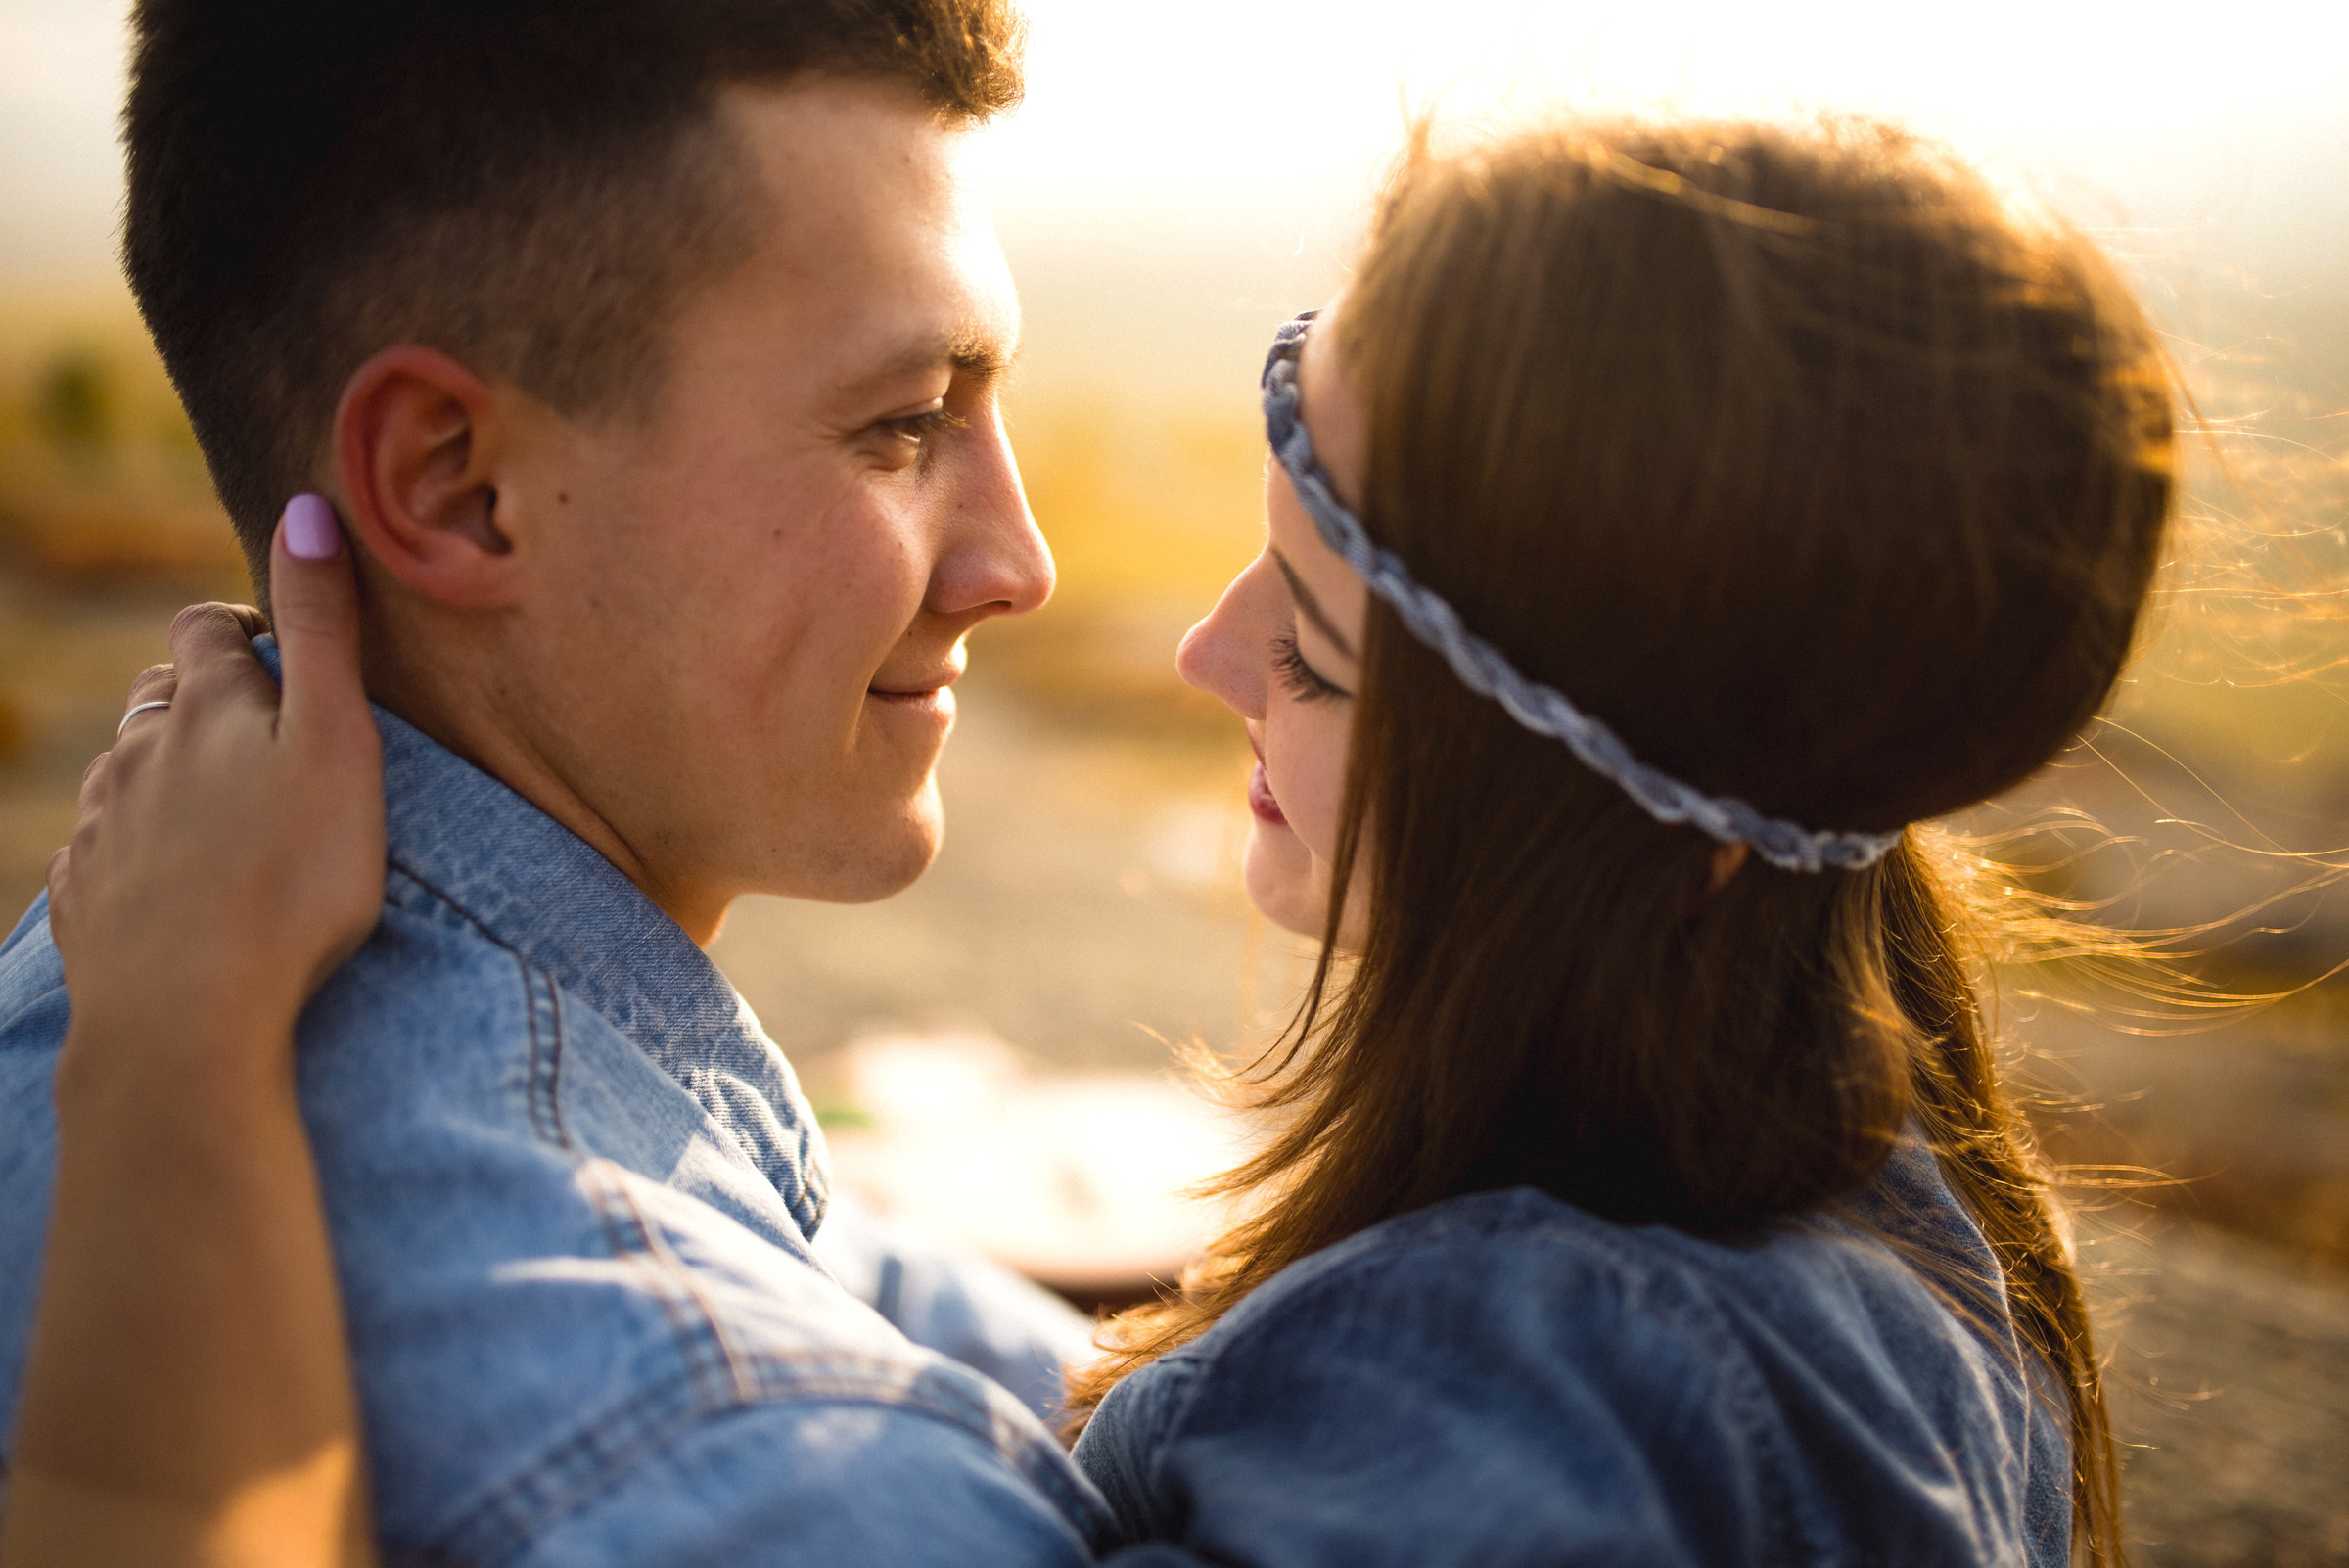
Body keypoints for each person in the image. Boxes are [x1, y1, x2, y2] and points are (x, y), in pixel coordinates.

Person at [6, 115, 2176, 1568]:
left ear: (1648, 813)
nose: (1196, 651)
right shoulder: (1873, 1214)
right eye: (899, 419)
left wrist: (178, 1067)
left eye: (1318, 650)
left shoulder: (1545, 1394)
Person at [0, 1, 1140, 1564]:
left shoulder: (113, 950)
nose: (1024, 563)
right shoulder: (789, 1479)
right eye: (903, 423)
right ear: (457, 490)